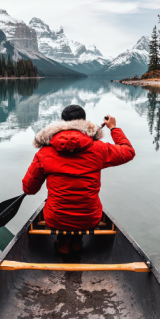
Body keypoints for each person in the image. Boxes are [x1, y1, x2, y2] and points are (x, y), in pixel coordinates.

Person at [22, 104, 135, 254]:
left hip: (56, 218)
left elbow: (29, 189)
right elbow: (128, 152)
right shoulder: (99, 149)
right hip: (90, 218)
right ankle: (76, 242)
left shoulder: (44, 153)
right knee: (85, 212)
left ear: (62, 123)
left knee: (56, 211)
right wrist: (114, 128)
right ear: (84, 122)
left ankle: (63, 243)